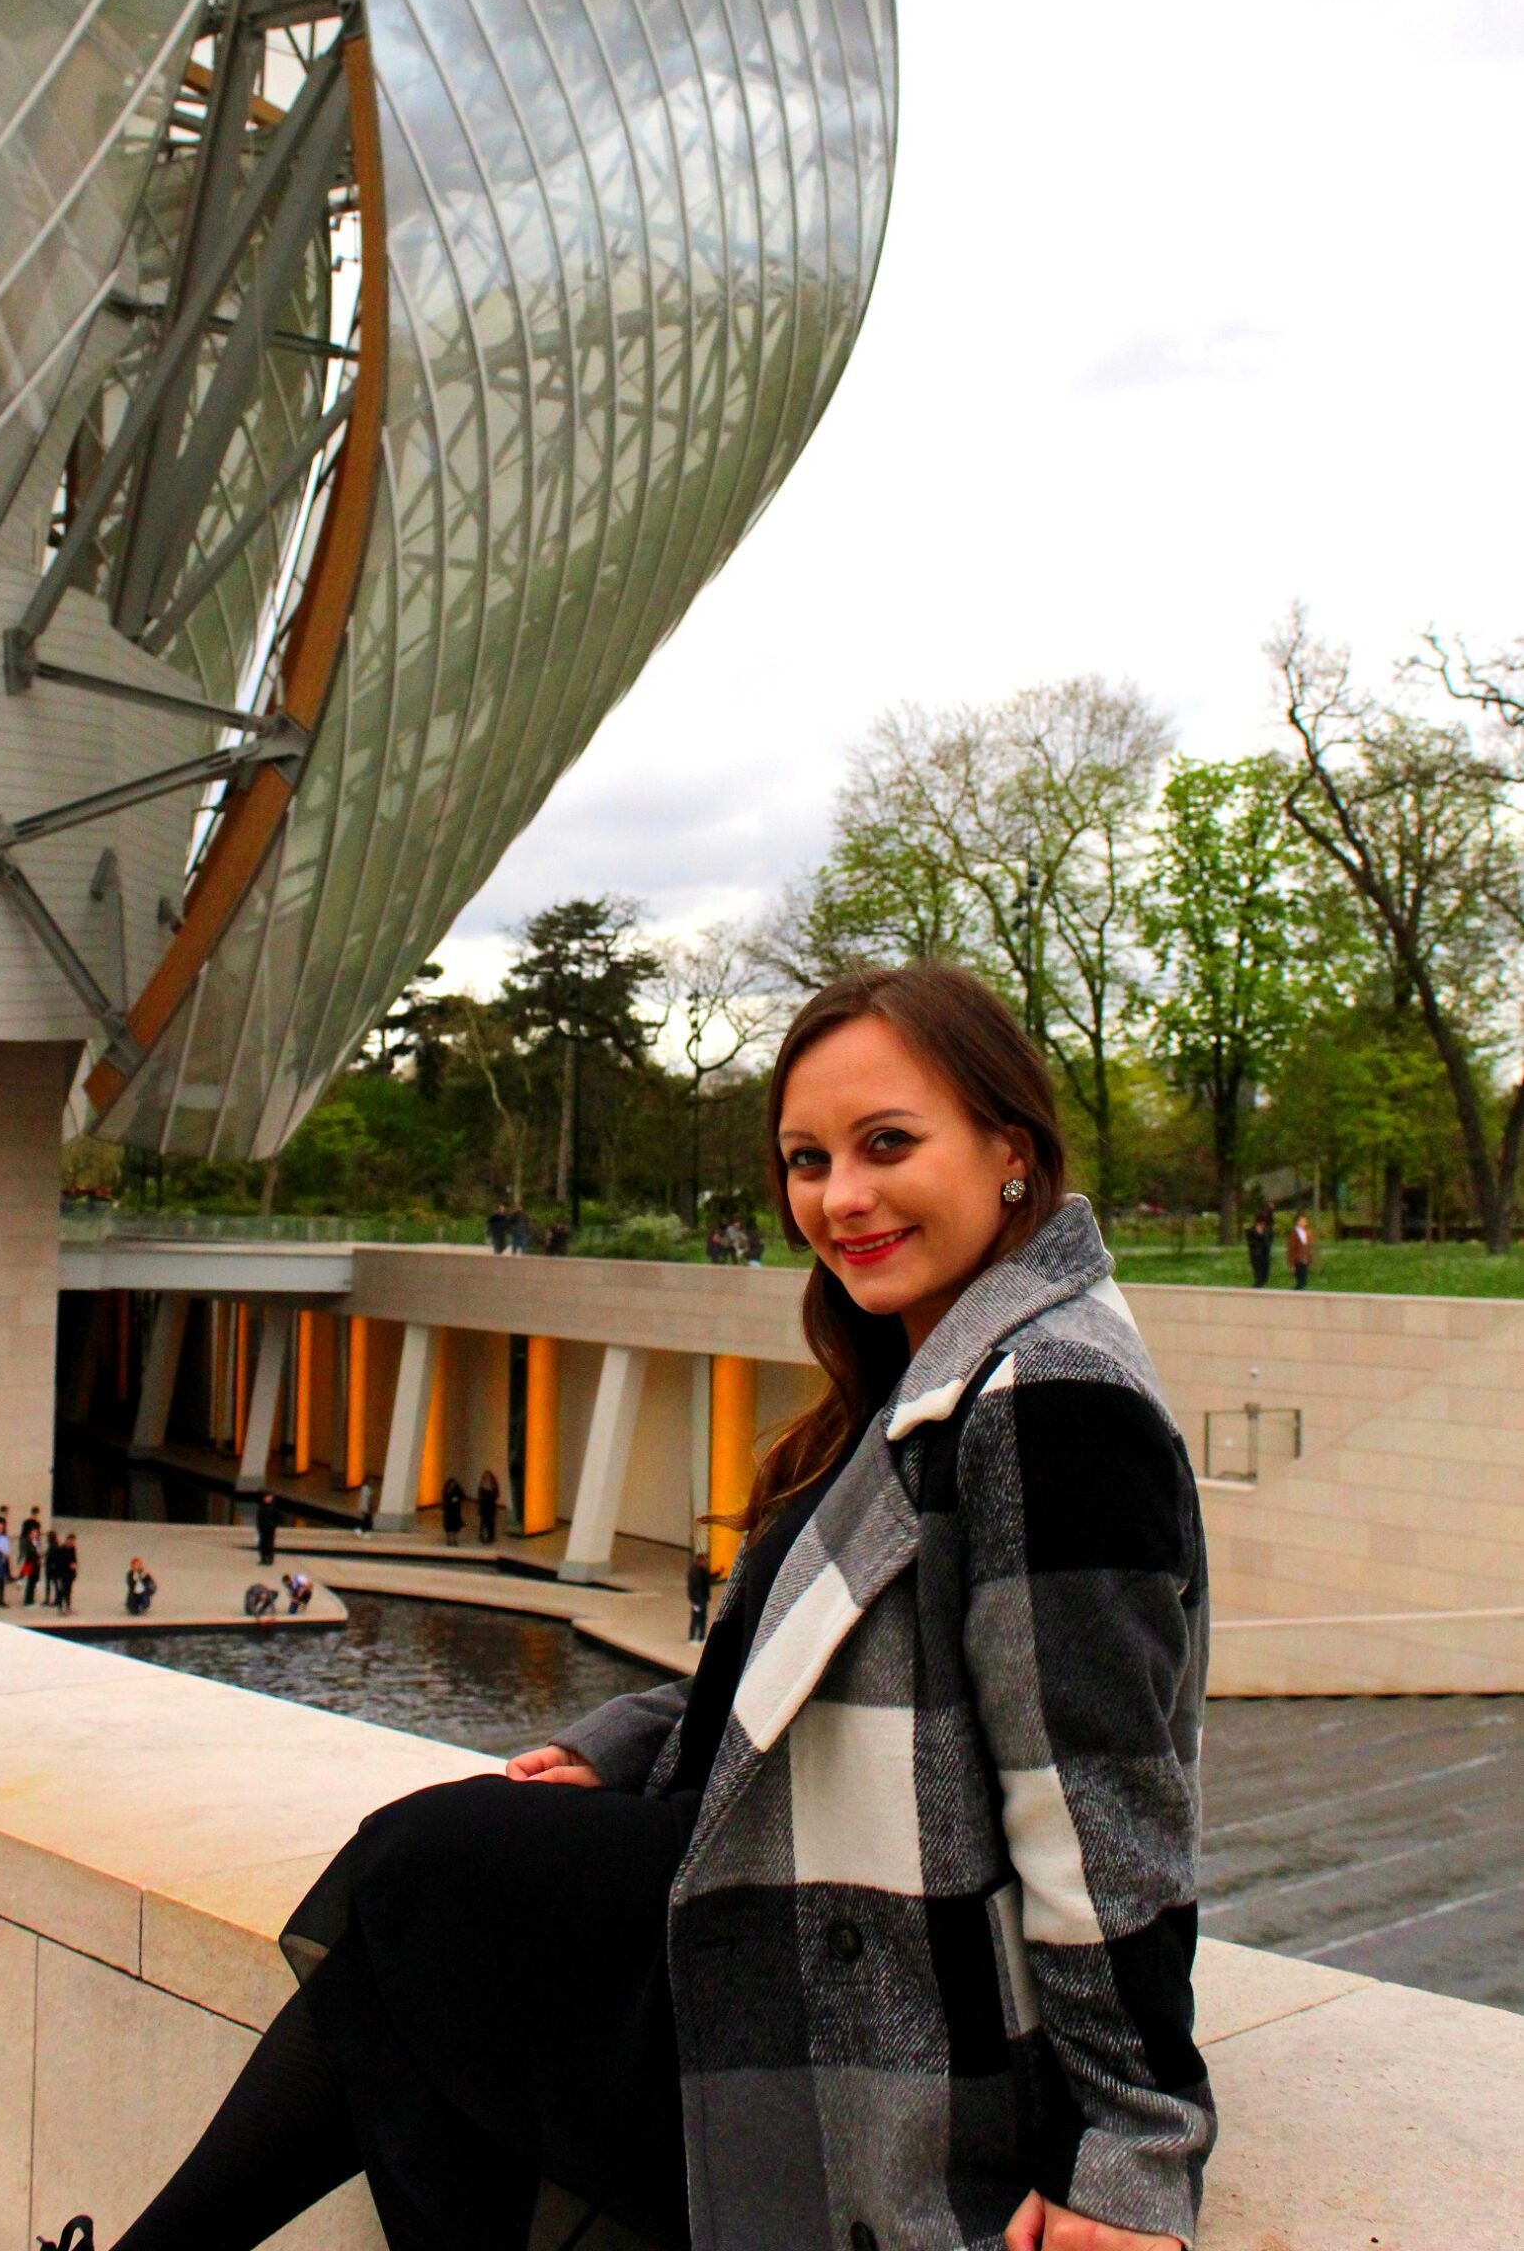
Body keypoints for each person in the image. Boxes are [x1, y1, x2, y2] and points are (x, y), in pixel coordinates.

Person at [100, 962, 1212, 2251]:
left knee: (421, 1880)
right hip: (838, 1937)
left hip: (908, 2024)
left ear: (1009, 1151)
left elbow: (1104, 1805)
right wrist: (624, 1746)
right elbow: (832, 1666)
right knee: (416, 1952)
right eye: (806, 1159)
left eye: (887, 1144)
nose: (839, 1198)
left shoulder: (1050, 1398)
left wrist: (1133, 2149)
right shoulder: (945, 1359)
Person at [685, 1550, 710, 1643]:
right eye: (703, 1561)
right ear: (699, 1561)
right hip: (697, 1599)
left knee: (703, 1618)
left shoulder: (704, 1570)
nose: (705, 1563)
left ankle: (702, 1636)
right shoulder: (694, 1572)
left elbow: (708, 1579)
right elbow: (692, 1587)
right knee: (695, 1618)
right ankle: (692, 1637)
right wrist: (693, 1600)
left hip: (704, 1598)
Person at [1245, 1206, 1274, 1289]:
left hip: (1265, 1254)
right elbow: (1250, 1243)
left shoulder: (1267, 1230)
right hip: (1256, 1255)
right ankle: (1257, 1288)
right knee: (1258, 1275)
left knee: (1265, 1275)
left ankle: (1260, 1286)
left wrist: (1270, 1210)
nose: (1262, 1225)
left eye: (1263, 1223)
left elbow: (1270, 1239)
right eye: (1261, 1223)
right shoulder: (1250, 1230)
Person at [1287, 1208, 1315, 1290]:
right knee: (1299, 1279)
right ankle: (1297, 1289)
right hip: (1297, 1260)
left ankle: (1301, 1288)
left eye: (1305, 1221)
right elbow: (1291, 1249)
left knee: (1304, 1278)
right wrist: (1291, 1264)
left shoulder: (1308, 1233)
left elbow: (1309, 1247)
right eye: (1301, 1221)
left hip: (1305, 1259)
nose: (1304, 1222)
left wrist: (1310, 1260)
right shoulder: (1294, 1233)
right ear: (1297, 1222)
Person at [256, 1492, 283, 1566]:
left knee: (269, 1544)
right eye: (266, 1498)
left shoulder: (274, 1507)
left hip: (270, 1529)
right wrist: (258, 1527)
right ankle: (263, 1558)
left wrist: (273, 1524)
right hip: (262, 1528)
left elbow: (280, 1518)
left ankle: (269, 1559)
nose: (267, 1499)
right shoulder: (261, 1506)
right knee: (262, 1544)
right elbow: (259, 1518)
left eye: (269, 1497)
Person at [476, 1468, 500, 1548]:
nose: (486, 1477)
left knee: (490, 1522)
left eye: (488, 1476)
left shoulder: (494, 1485)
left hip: (490, 1506)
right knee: (483, 1522)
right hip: (483, 1506)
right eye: (485, 1476)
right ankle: (482, 1536)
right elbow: (479, 1496)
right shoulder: (481, 1485)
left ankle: (491, 1537)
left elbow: (496, 1495)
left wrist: (491, 1491)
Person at [20, 1523, 43, 1609]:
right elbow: (29, 1555)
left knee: (34, 1583)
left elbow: (39, 1553)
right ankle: (27, 1601)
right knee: (30, 1583)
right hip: (31, 1565)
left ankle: (32, 1600)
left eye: (36, 1533)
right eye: (33, 1533)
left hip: (37, 1565)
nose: (35, 1534)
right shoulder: (28, 1543)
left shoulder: (38, 1542)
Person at [440, 1475, 465, 1546]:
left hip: (455, 1511)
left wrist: (457, 1499)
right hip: (448, 1510)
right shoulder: (446, 1490)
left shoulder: (457, 1490)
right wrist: (451, 1500)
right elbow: (445, 1499)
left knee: (454, 1526)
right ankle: (449, 1539)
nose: (453, 1485)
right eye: (451, 1483)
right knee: (449, 1526)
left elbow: (463, 1497)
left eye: (454, 1483)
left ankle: (454, 1540)